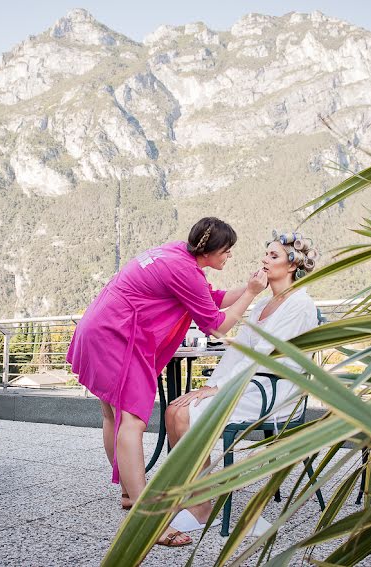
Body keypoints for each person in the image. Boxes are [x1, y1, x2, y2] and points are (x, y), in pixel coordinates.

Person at [66, 217, 268, 547]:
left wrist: (248, 289)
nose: (229, 256)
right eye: (227, 251)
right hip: (118, 335)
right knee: (131, 420)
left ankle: (131, 495)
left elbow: (211, 297)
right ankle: (147, 521)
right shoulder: (185, 269)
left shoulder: (177, 253)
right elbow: (218, 326)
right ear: (212, 250)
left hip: (99, 326)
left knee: (112, 416)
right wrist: (251, 294)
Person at [164, 230, 321, 535]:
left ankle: (200, 507)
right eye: (266, 253)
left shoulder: (300, 303)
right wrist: (213, 386)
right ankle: (194, 498)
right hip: (246, 383)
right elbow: (239, 352)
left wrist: (218, 389)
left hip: (273, 389)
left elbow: (264, 356)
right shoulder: (262, 306)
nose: (264, 259)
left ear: (291, 266)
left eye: (273, 255)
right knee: (172, 411)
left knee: (183, 414)